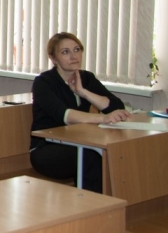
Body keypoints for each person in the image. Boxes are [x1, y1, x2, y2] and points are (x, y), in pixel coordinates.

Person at [30, 32, 130, 193]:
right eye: (65, 52)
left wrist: (83, 92)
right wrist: (103, 118)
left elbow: (116, 106)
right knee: (91, 154)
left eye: (77, 50)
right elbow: (65, 115)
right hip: (47, 148)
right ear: (53, 59)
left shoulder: (87, 78)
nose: (73, 56)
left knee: (117, 152)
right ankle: (91, 204)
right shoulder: (43, 82)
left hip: (79, 141)